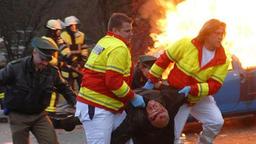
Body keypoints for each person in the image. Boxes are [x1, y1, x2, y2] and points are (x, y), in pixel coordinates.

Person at [145, 19, 230, 144]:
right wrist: (152, 80)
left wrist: (192, 89)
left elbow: (215, 86)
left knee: (216, 122)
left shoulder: (223, 60)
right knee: (173, 135)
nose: (220, 37)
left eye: (222, 34)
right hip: (177, 96)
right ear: (207, 33)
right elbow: (165, 59)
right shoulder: (186, 43)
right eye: (217, 33)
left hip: (198, 97)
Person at [75, 13, 146, 144]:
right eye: (127, 31)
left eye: (131, 30)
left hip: (105, 106)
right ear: (115, 30)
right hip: (98, 107)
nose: (131, 34)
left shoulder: (104, 41)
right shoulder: (119, 47)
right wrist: (133, 97)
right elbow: (114, 82)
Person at [0, 37, 76, 144]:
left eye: (48, 60)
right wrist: (3, 102)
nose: (45, 63)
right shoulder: (15, 68)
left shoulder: (52, 72)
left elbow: (65, 88)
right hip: (18, 116)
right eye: (42, 59)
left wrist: (78, 105)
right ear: (34, 52)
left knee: (51, 142)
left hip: (39, 115)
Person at [111, 85, 186, 144]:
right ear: (165, 109)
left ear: (149, 119)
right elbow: (184, 93)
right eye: (161, 110)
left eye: (154, 114)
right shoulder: (169, 101)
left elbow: (118, 137)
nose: (155, 109)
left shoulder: (138, 118)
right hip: (136, 93)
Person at [60, 16, 86, 89]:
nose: (73, 27)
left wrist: (83, 61)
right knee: (70, 91)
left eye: (74, 25)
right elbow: (64, 50)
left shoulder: (81, 35)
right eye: (71, 25)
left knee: (83, 89)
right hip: (67, 68)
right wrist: (74, 60)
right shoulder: (62, 36)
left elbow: (84, 49)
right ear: (67, 27)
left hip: (79, 66)